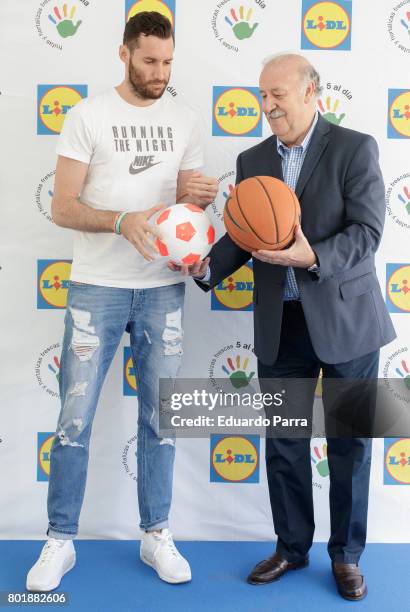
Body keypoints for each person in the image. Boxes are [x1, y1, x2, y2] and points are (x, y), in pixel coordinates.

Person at [177, 53, 396, 600]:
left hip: (347, 321)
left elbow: (367, 233)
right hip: (282, 324)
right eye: (262, 95)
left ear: (311, 92)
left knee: (350, 443)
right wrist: (206, 266)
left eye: (278, 94)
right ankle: (291, 548)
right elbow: (243, 233)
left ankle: (346, 556)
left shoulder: (354, 147)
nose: (268, 105)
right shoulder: (251, 159)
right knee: (285, 442)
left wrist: (310, 257)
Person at [26, 11, 217, 591]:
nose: (160, 72)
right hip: (96, 288)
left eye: (167, 62)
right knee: (73, 420)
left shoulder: (185, 119)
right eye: (149, 61)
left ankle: (155, 533)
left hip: (162, 288)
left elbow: (186, 216)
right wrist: (120, 220)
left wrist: (196, 203)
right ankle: (60, 539)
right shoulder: (88, 116)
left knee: (161, 419)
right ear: (124, 54)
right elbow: (62, 207)